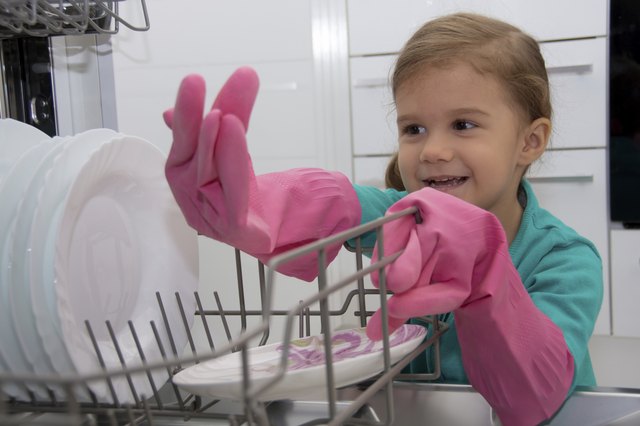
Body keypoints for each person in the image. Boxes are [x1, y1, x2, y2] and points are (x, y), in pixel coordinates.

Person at [163, 12, 603, 426]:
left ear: (530, 140)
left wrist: (485, 268)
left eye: (463, 124)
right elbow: (334, 205)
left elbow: (531, 395)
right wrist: (254, 205)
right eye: (414, 129)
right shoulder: (403, 216)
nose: (431, 150)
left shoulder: (565, 259)